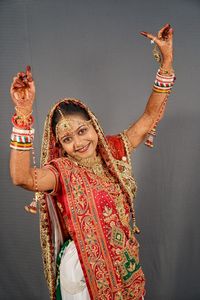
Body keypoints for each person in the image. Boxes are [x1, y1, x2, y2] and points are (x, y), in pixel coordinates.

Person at [10, 24, 175, 300]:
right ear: (60, 146)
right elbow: (22, 177)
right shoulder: (61, 172)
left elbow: (148, 118)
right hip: (85, 277)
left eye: (82, 131)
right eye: (66, 139)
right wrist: (24, 114)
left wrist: (166, 62)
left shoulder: (112, 150)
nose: (78, 142)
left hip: (126, 269)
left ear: (93, 125)